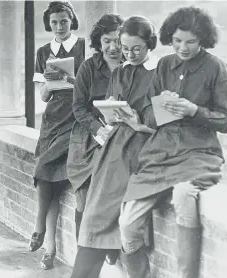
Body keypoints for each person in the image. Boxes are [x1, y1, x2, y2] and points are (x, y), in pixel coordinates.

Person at [118, 7, 227, 278]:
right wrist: (162, 106)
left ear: (203, 40)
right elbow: (147, 115)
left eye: (191, 42)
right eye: (177, 41)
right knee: (127, 223)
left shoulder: (215, 67)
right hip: (159, 155)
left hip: (198, 153)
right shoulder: (163, 65)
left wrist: (193, 111)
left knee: (184, 195)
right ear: (169, 39)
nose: (183, 47)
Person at [70, 16, 158, 278]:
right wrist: (111, 112)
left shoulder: (161, 73)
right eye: (125, 48)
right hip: (114, 147)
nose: (129, 54)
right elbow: (110, 104)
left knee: (101, 218)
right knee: (96, 217)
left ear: (149, 45)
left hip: (141, 148)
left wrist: (139, 122)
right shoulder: (119, 71)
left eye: (136, 49)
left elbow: (164, 121)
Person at [29, 0, 85, 270]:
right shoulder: (43, 52)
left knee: (46, 172)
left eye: (64, 21)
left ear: (71, 20)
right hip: (52, 119)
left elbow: (91, 86)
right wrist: (51, 80)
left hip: (76, 118)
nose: (60, 26)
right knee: (47, 183)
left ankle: (38, 228)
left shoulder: (83, 47)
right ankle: (49, 249)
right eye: (54, 22)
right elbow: (42, 96)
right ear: (48, 24)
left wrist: (73, 81)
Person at [68, 13, 124, 242]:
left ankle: (110, 246)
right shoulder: (88, 68)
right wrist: (97, 128)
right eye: (107, 41)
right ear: (98, 42)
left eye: (118, 41)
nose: (113, 47)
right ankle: (84, 246)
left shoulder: (131, 67)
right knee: (85, 193)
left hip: (122, 135)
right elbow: (78, 107)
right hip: (89, 137)